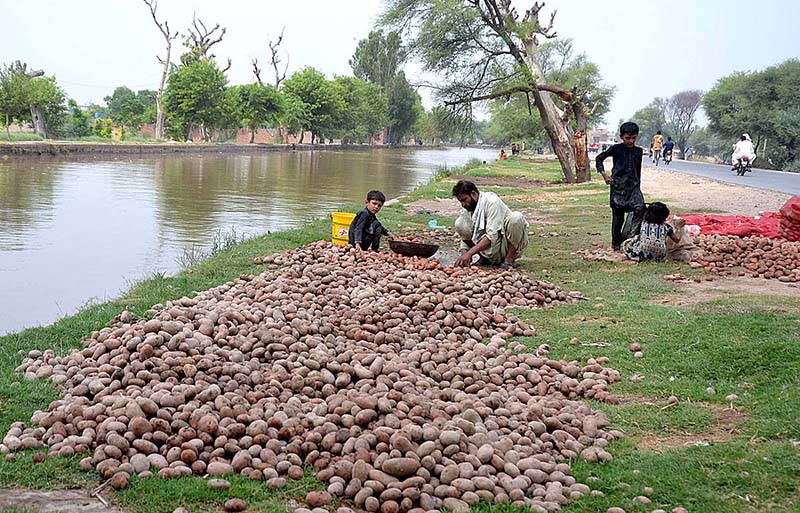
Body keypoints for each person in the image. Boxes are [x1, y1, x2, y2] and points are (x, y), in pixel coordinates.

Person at [452, 180, 529, 269]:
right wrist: (464, 256)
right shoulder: (470, 208)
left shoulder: (492, 202)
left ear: (473, 194)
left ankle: (509, 259)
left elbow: (492, 235)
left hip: (504, 244)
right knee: (459, 223)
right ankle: (483, 258)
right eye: (460, 201)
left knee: (516, 218)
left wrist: (469, 254)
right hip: (489, 248)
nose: (463, 204)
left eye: (464, 200)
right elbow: (465, 235)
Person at [595, 121, 646, 251]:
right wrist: (604, 175)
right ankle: (616, 244)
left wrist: (637, 186)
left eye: (633, 138)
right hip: (618, 187)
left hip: (633, 187)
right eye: (627, 138)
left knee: (640, 207)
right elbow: (599, 158)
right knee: (618, 218)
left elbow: (637, 171)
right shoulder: (616, 149)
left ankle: (631, 239)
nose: (630, 141)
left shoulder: (638, 151)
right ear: (621, 137)